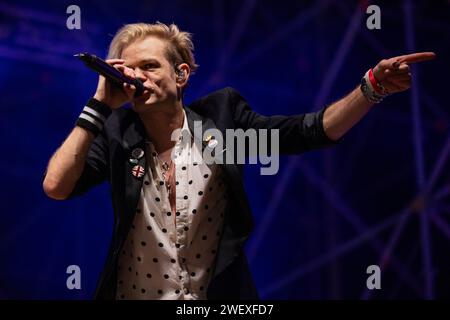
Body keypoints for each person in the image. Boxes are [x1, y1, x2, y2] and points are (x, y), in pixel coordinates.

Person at [43, 22, 435, 300]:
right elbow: (56, 187)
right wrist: (98, 106)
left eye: (150, 66)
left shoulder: (222, 126)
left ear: (180, 75)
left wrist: (372, 87)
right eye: (130, 70)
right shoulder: (116, 133)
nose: (138, 78)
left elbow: (309, 131)